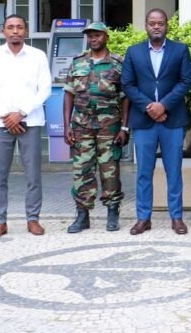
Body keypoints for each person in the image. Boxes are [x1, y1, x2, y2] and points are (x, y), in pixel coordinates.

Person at [121, 8, 191, 236]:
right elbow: (128, 85)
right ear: (146, 25)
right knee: (144, 171)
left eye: (160, 23)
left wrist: (164, 105)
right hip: (144, 122)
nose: (156, 27)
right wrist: (150, 107)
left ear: (167, 25)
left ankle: (176, 217)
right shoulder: (133, 52)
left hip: (172, 120)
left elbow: (185, 81)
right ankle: (143, 218)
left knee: (174, 171)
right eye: (152, 23)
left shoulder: (180, 50)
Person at [0, 14, 51, 240]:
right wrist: (6, 116)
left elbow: (44, 89)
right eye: (10, 27)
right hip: (0, 123)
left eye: (19, 27)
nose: (15, 31)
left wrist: (20, 113)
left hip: (29, 122)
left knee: (33, 175)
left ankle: (33, 219)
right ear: (3, 31)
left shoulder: (38, 56)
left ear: (26, 31)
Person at [63, 21, 131, 234]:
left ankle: (112, 212)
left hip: (108, 126)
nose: (93, 39)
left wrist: (125, 127)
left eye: (97, 35)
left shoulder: (118, 63)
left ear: (106, 36)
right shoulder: (78, 63)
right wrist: (67, 125)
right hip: (81, 125)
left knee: (109, 169)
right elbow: (69, 94)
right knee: (82, 170)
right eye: (90, 36)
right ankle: (82, 215)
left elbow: (125, 98)